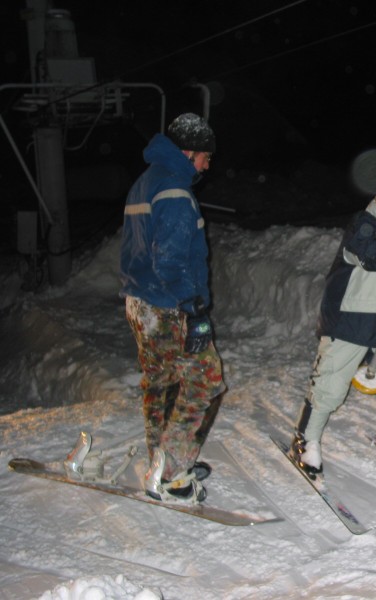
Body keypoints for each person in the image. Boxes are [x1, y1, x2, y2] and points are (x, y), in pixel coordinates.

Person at [290, 169, 376, 479]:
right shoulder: (362, 225)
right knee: (330, 384)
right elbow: (370, 253)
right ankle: (306, 440)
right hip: (349, 318)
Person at [119, 113, 225, 503]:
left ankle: (160, 461)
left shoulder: (145, 181)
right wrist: (194, 310)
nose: (207, 166)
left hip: (140, 303)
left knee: (161, 383)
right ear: (188, 153)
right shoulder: (176, 192)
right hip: (168, 307)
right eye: (206, 157)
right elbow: (169, 262)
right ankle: (173, 472)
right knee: (206, 380)